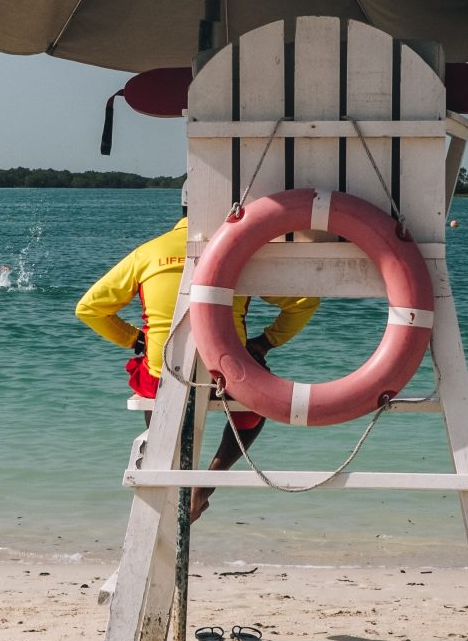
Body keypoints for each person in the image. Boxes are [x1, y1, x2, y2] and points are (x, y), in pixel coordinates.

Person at [77, 212, 318, 522]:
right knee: (257, 404)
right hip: (227, 378)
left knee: (154, 378)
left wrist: (135, 340)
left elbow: (89, 308)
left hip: (167, 377)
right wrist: (266, 342)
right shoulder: (239, 255)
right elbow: (304, 302)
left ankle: (168, 457)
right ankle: (206, 482)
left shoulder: (148, 252)